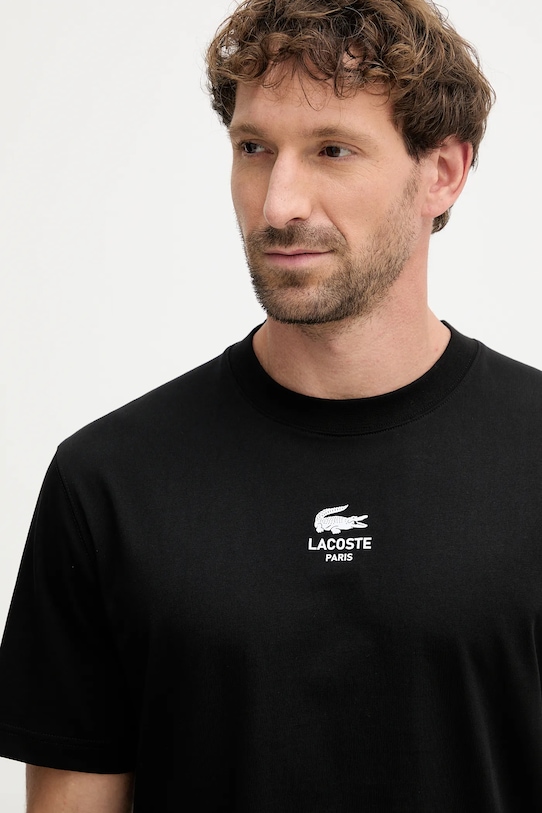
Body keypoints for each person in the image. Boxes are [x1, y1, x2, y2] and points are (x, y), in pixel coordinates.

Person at [0, 0, 540, 811]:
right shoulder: (108, 483)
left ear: (443, 172)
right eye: (254, 148)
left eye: (332, 149)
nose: (278, 204)